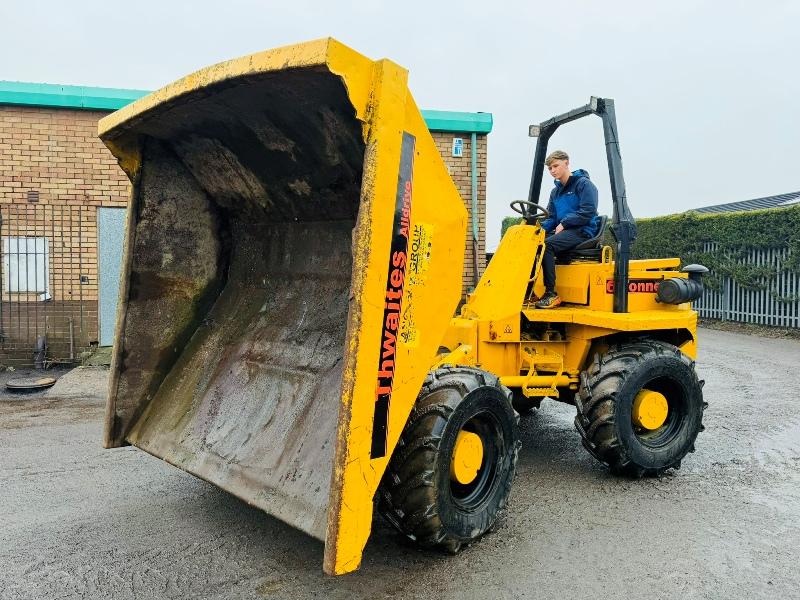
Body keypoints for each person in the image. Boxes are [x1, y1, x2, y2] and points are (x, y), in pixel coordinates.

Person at [535, 150, 600, 309]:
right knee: (533, 242)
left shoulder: (583, 184)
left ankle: (551, 293)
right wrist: (538, 230)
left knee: (547, 246)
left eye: (556, 166)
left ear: (566, 163)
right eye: (550, 168)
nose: (553, 170)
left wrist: (565, 223)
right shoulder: (555, 192)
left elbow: (588, 211)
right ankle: (529, 290)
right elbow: (551, 217)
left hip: (583, 230)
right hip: (565, 231)